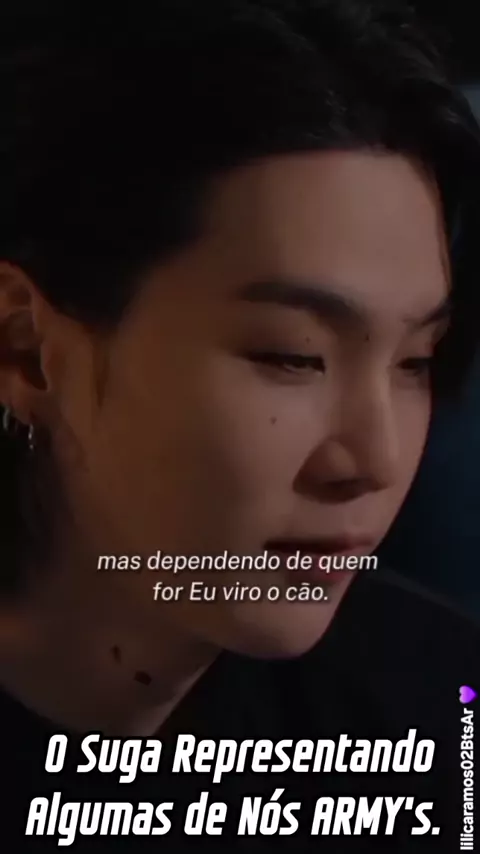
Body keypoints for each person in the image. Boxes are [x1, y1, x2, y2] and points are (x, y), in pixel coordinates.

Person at [0, 1, 479, 851]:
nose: (374, 458)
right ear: (29, 349)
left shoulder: (438, 704)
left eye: (415, 361)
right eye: (294, 356)